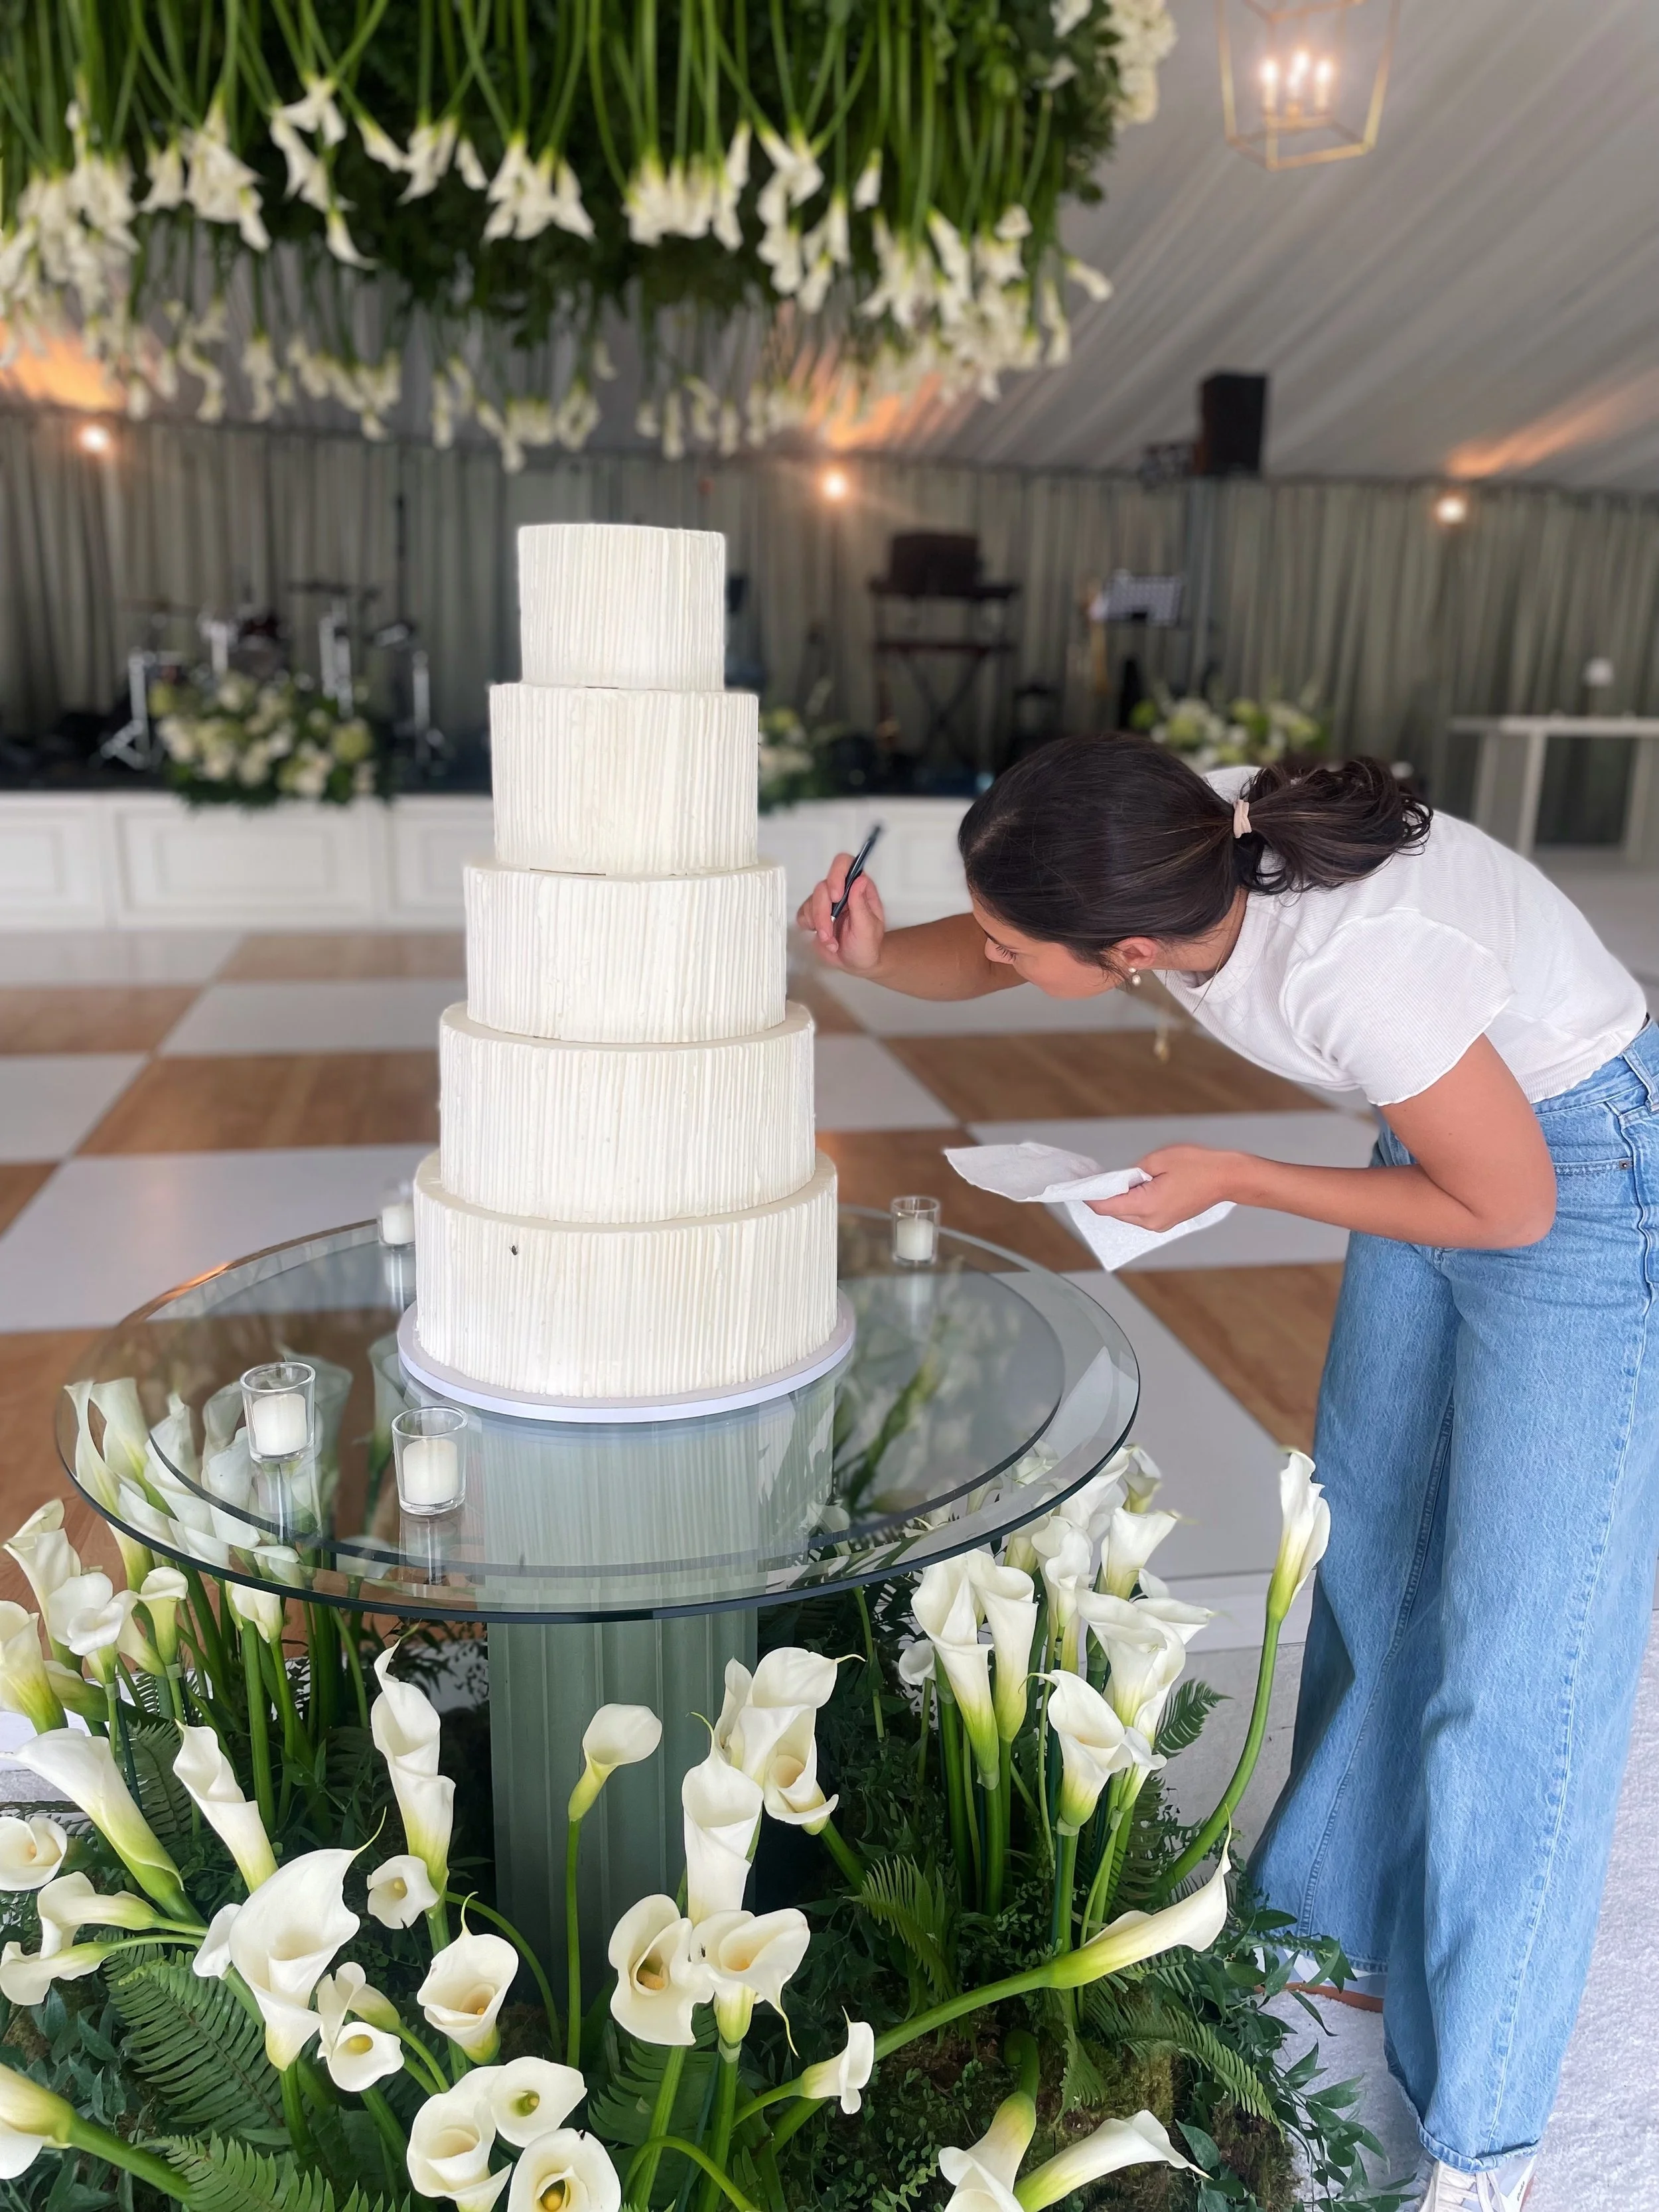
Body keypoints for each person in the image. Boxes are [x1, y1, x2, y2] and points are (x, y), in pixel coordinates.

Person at [798, 735, 1658, 2212]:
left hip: (1566, 1179)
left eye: (1014, 938)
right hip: (1437, 1127)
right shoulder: (1176, 832)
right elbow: (1010, 950)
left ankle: (1481, 2139)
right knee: (1372, 1556)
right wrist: (877, 961)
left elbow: (1507, 1204)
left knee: (1522, 1665)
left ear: (1128, 948)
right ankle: (1332, 1948)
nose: (990, 953)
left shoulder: (1355, 964)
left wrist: (1239, 1174)